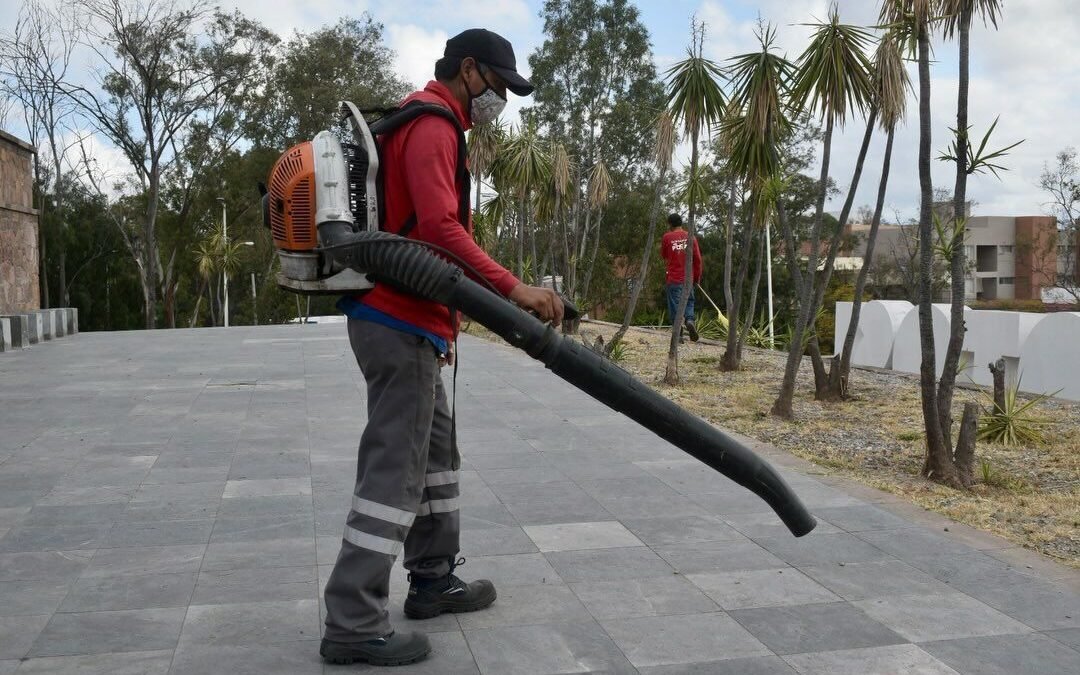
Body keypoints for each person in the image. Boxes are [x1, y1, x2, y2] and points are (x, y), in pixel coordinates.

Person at [320, 28, 564, 667]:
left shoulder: (425, 122)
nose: (500, 102)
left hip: (415, 323)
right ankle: (351, 620)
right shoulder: (433, 126)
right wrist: (514, 289)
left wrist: (445, 325)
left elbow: (421, 243)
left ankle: (431, 579)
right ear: (468, 70)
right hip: (396, 322)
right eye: (499, 87)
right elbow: (438, 229)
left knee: (435, 460)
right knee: (393, 472)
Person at [661, 213, 702, 342]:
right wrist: (696, 277)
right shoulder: (691, 238)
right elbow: (698, 260)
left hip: (674, 278)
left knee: (675, 305)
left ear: (670, 224)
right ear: (681, 223)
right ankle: (690, 320)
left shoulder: (667, 237)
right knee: (689, 301)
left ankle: (678, 333)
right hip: (688, 279)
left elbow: (664, 255)